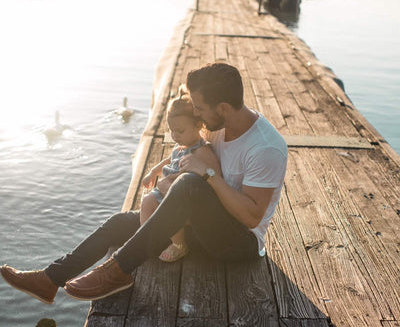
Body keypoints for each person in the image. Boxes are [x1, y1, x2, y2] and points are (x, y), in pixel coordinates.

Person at [0, 62, 288, 304]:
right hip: (201, 225)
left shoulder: (265, 147)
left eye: (199, 108)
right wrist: (161, 167)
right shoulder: (218, 127)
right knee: (119, 222)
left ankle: (118, 270)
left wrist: (207, 176)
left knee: (189, 184)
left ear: (223, 107)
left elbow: (252, 217)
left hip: (237, 243)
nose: (195, 113)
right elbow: (189, 153)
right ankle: (50, 279)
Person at [140, 85, 221, 262]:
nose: (175, 135)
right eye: (172, 130)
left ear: (198, 125)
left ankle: (179, 245)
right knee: (146, 203)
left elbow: (209, 176)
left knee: (170, 212)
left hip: (182, 198)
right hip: (165, 189)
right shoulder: (181, 146)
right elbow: (169, 160)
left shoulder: (201, 151)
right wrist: (153, 172)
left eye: (180, 131)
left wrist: (172, 182)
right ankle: (148, 239)